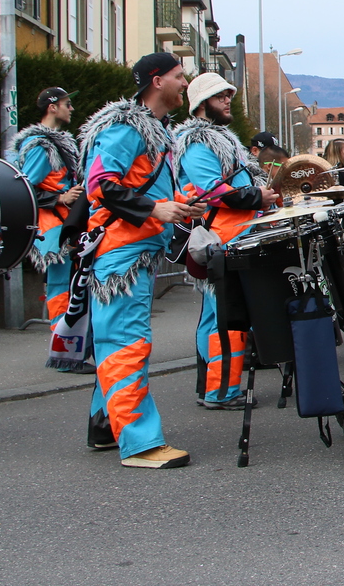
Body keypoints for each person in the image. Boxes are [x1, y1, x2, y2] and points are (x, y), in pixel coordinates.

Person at [78, 53, 206, 468]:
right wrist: (155, 209)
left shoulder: (152, 129)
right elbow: (100, 185)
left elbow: (137, 187)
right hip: (122, 255)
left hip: (131, 252)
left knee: (119, 341)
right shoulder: (126, 127)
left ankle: (105, 427)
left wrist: (180, 203)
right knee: (126, 343)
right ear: (156, 80)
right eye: (178, 75)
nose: (184, 83)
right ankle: (140, 444)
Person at [176, 72, 280, 409]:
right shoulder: (196, 142)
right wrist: (257, 197)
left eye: (228, 95)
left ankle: (212, 387)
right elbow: (211, 190)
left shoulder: (216, 139)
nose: (227, 101)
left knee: (217, 318)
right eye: (220, 96)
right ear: (201, 103)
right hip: (222, 242)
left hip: (231, 239)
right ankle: (221, 392)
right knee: (225, 320)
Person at [12, 87, 86, 371]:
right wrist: (59, 198)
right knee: (61, 290)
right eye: (67, 104)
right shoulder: (41, 146)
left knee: (66, 288)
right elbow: (24, 188)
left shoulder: (53, 143)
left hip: (61, 225)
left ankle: (68, 353)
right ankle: (64, 356)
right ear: (52, 107)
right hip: (53, 227)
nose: (72, 109)